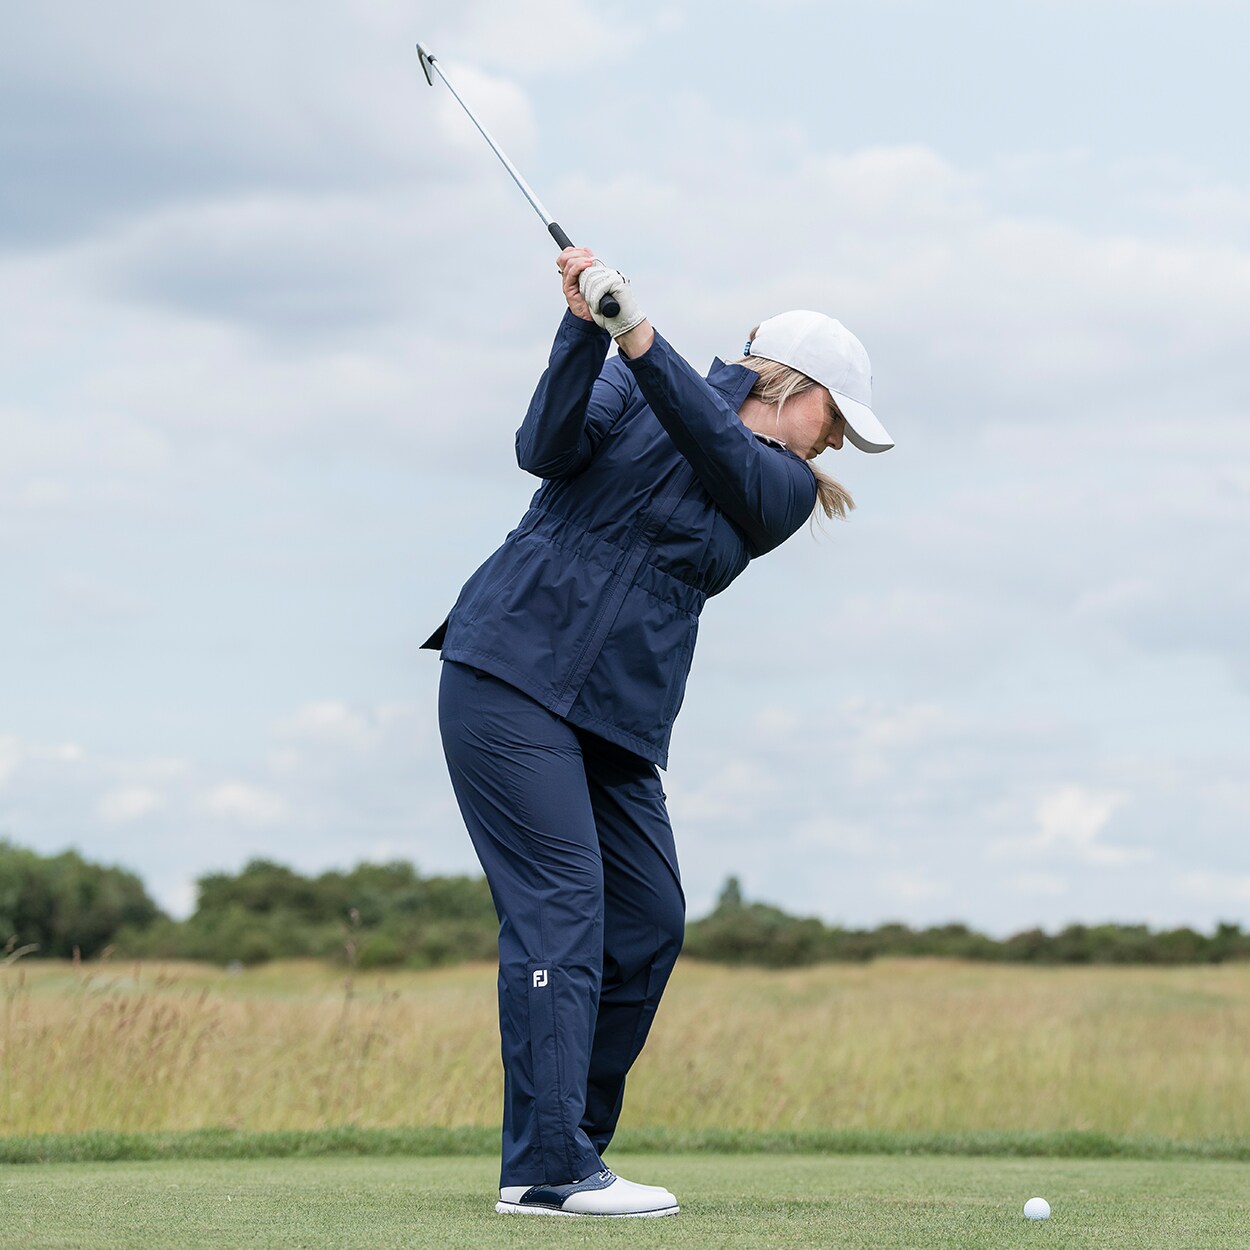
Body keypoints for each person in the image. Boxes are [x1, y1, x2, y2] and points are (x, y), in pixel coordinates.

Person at [423, 248, 894, 1218]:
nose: (836, 442)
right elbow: (543, 448)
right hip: (509, 667)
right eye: (836, 419)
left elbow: (716, 448)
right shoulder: (629, 383)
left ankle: (569, 1147)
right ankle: (548, 1168)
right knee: (561, 907)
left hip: (615, 713)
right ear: (794, 387)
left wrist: (637, 335)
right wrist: (581, 332)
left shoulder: (784, 487)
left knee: (647, 923)